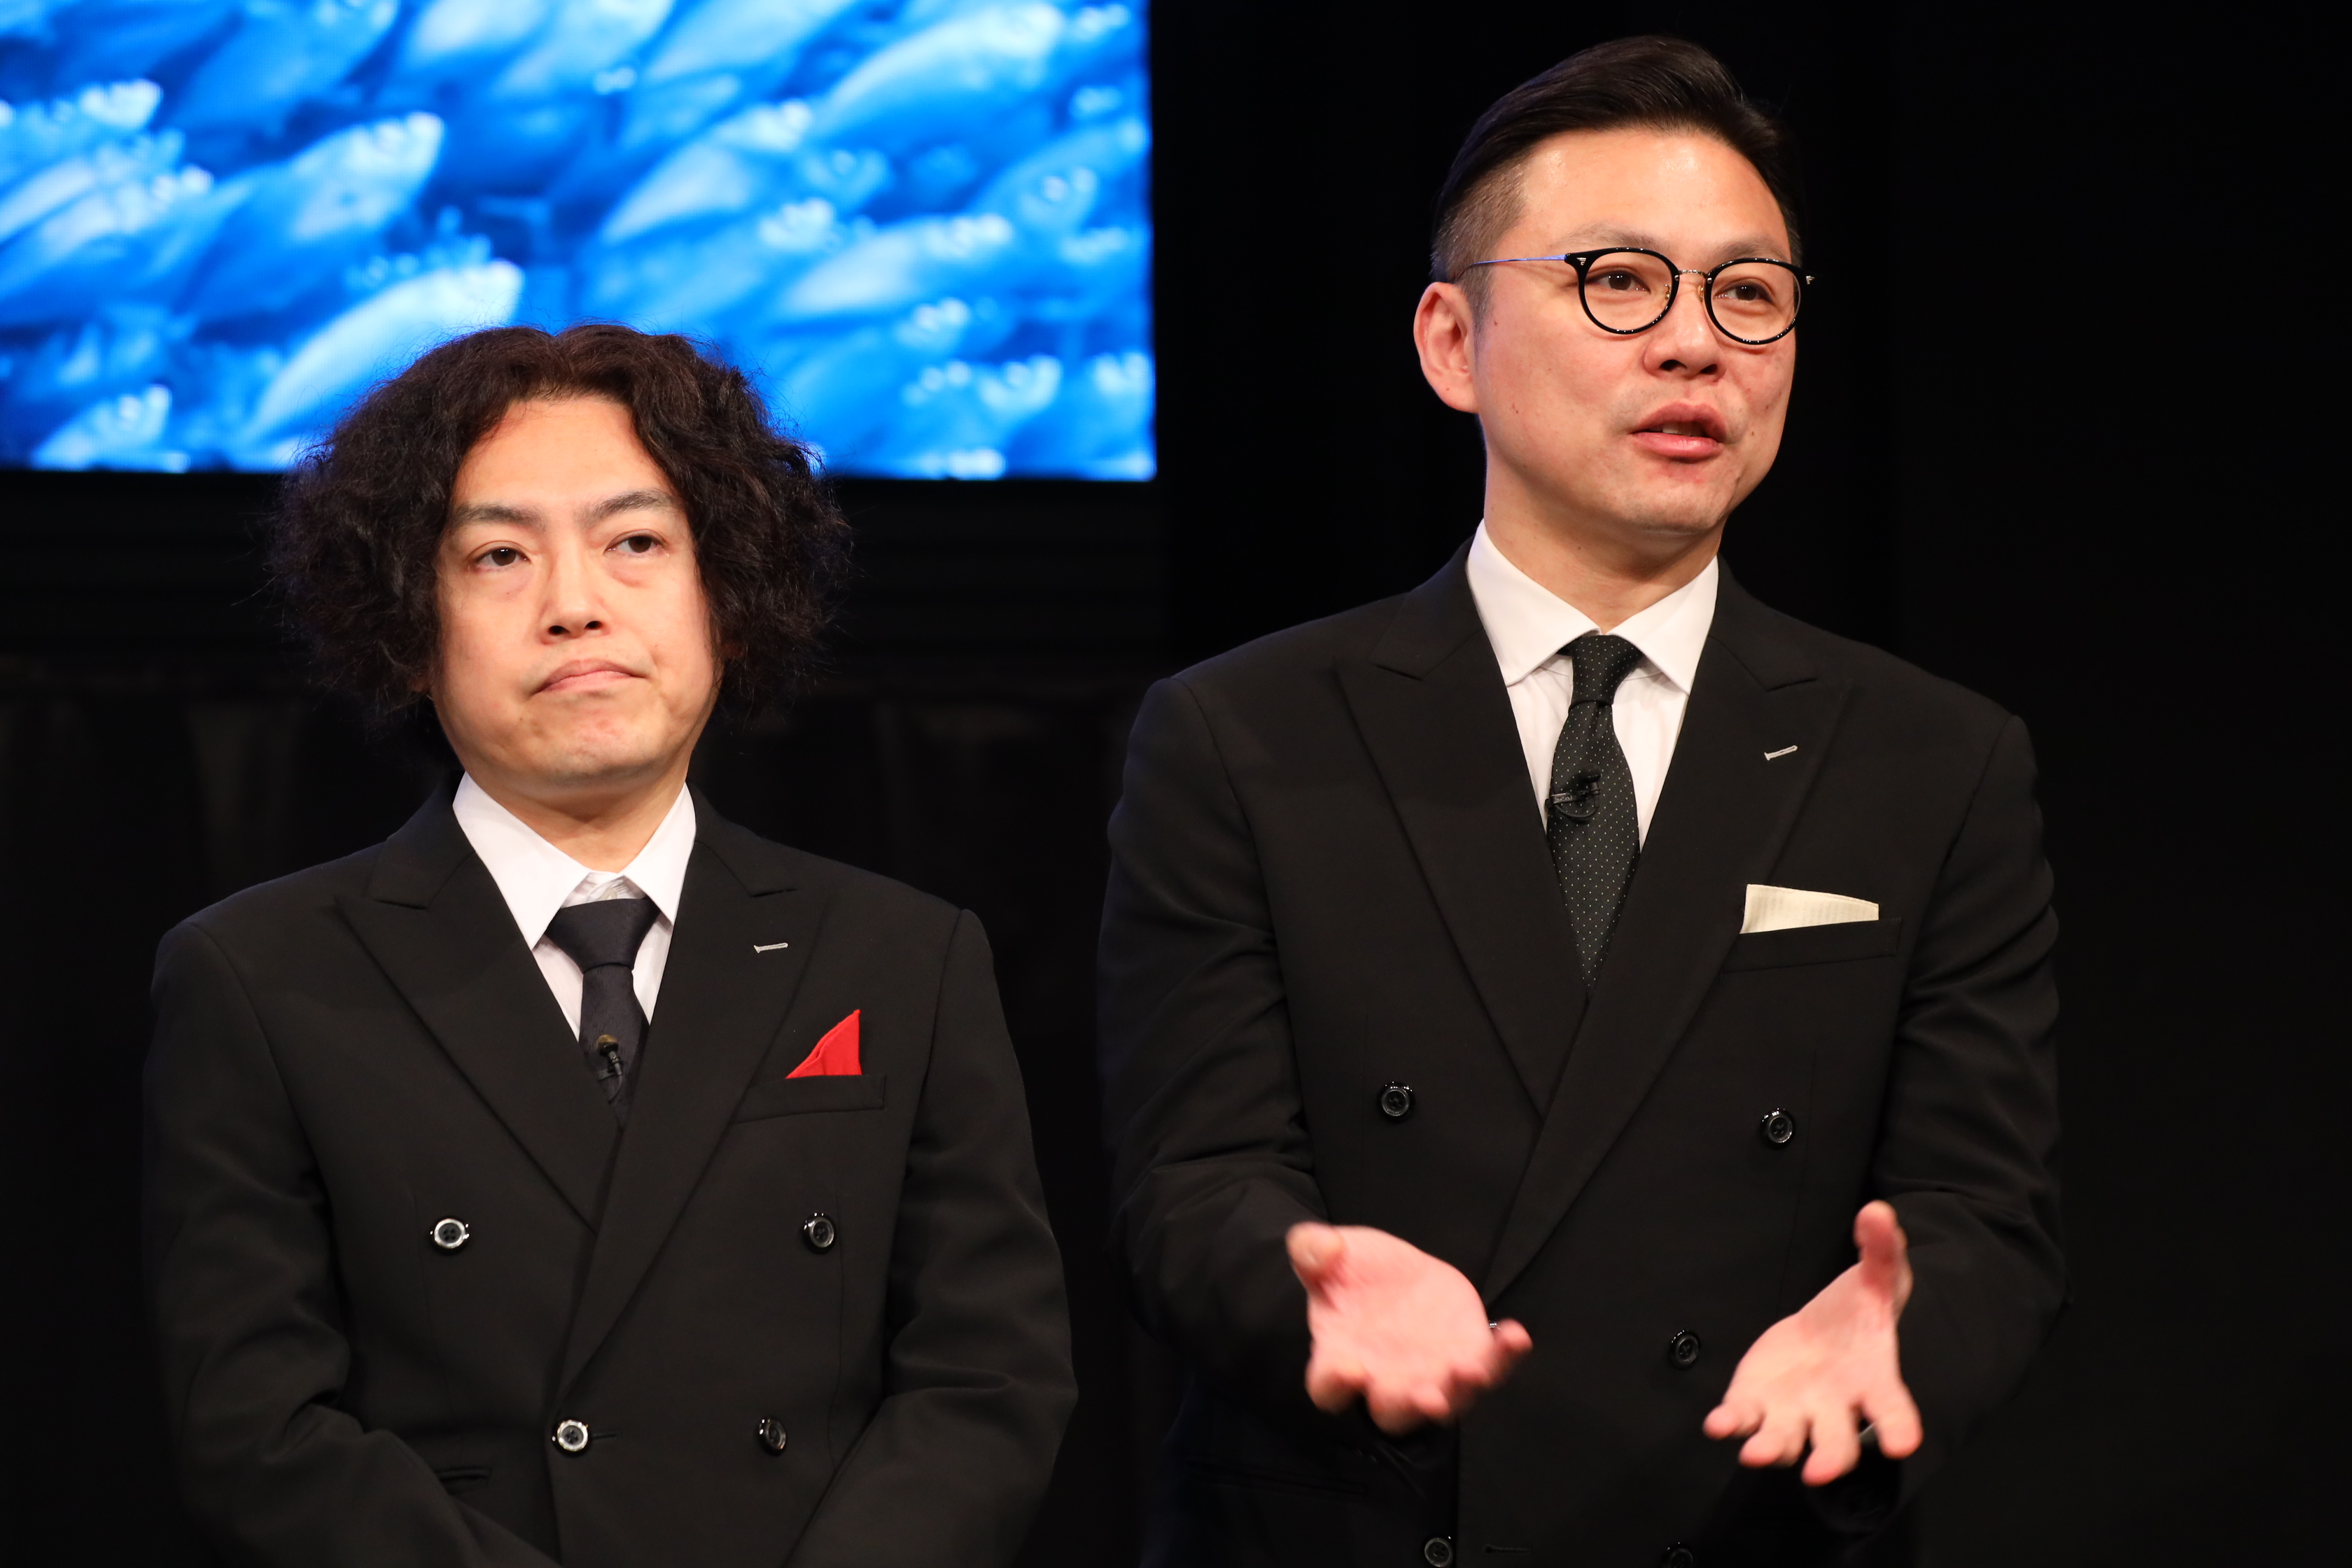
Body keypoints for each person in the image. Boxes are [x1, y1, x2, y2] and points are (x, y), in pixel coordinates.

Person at [1098, 36, 2062, 1567]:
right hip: (1363, 1520)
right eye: (1619, 281)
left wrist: (1906, 1332)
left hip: (1739, 1517)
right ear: (1451, 342)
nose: (1695, 346)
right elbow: (1192, 1181)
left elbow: (1980, 1212)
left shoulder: (1931, 758)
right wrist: (1305, 1282)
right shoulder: (1244, 735)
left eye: (1749, 294)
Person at [144, 324, 1074, 1567]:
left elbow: (988, 1379)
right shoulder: (261, 977)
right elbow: (254, 1431)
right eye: (499, 556)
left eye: (636, 543)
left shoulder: (902, 958)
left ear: (728, 596)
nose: (575, 606)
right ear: (408, 629)